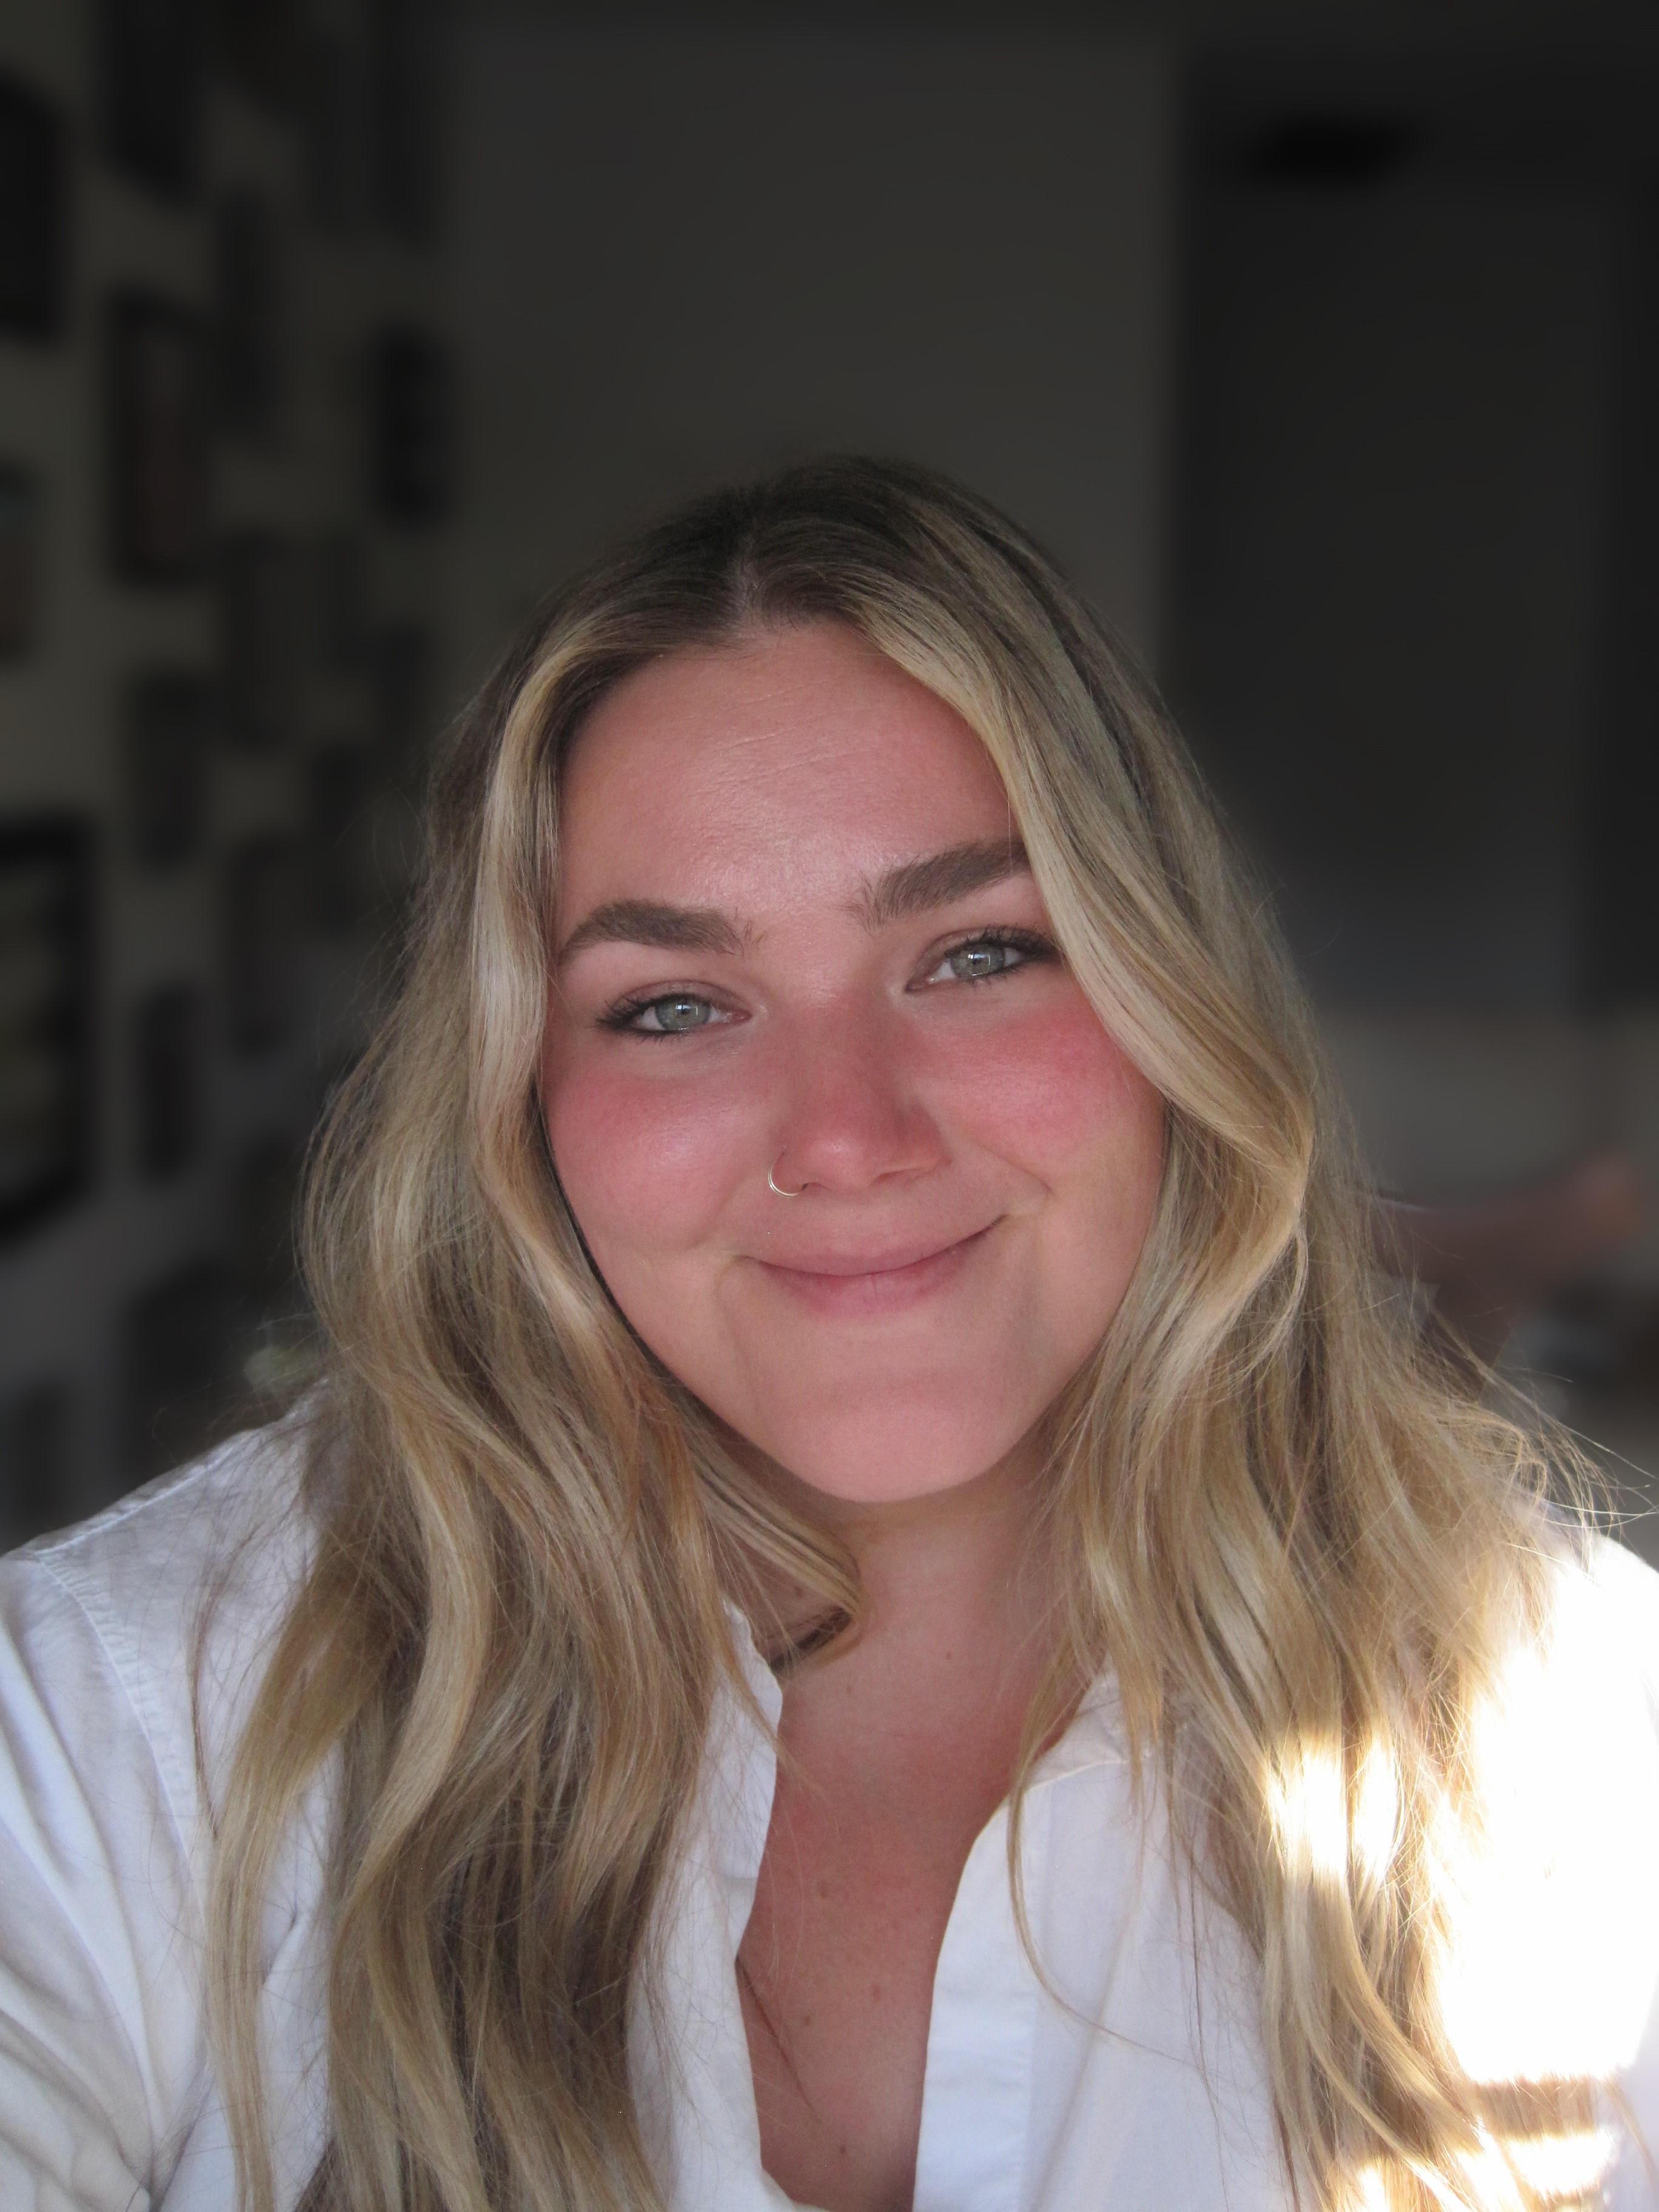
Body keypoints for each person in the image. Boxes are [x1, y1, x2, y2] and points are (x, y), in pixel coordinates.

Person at [1, 458, 1657, 2212]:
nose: (847, 1137)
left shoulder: (1577, 1731)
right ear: (520, 1102)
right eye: (672, 1005)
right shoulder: (115, 1730)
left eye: (978, 955)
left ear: (1168, 995)